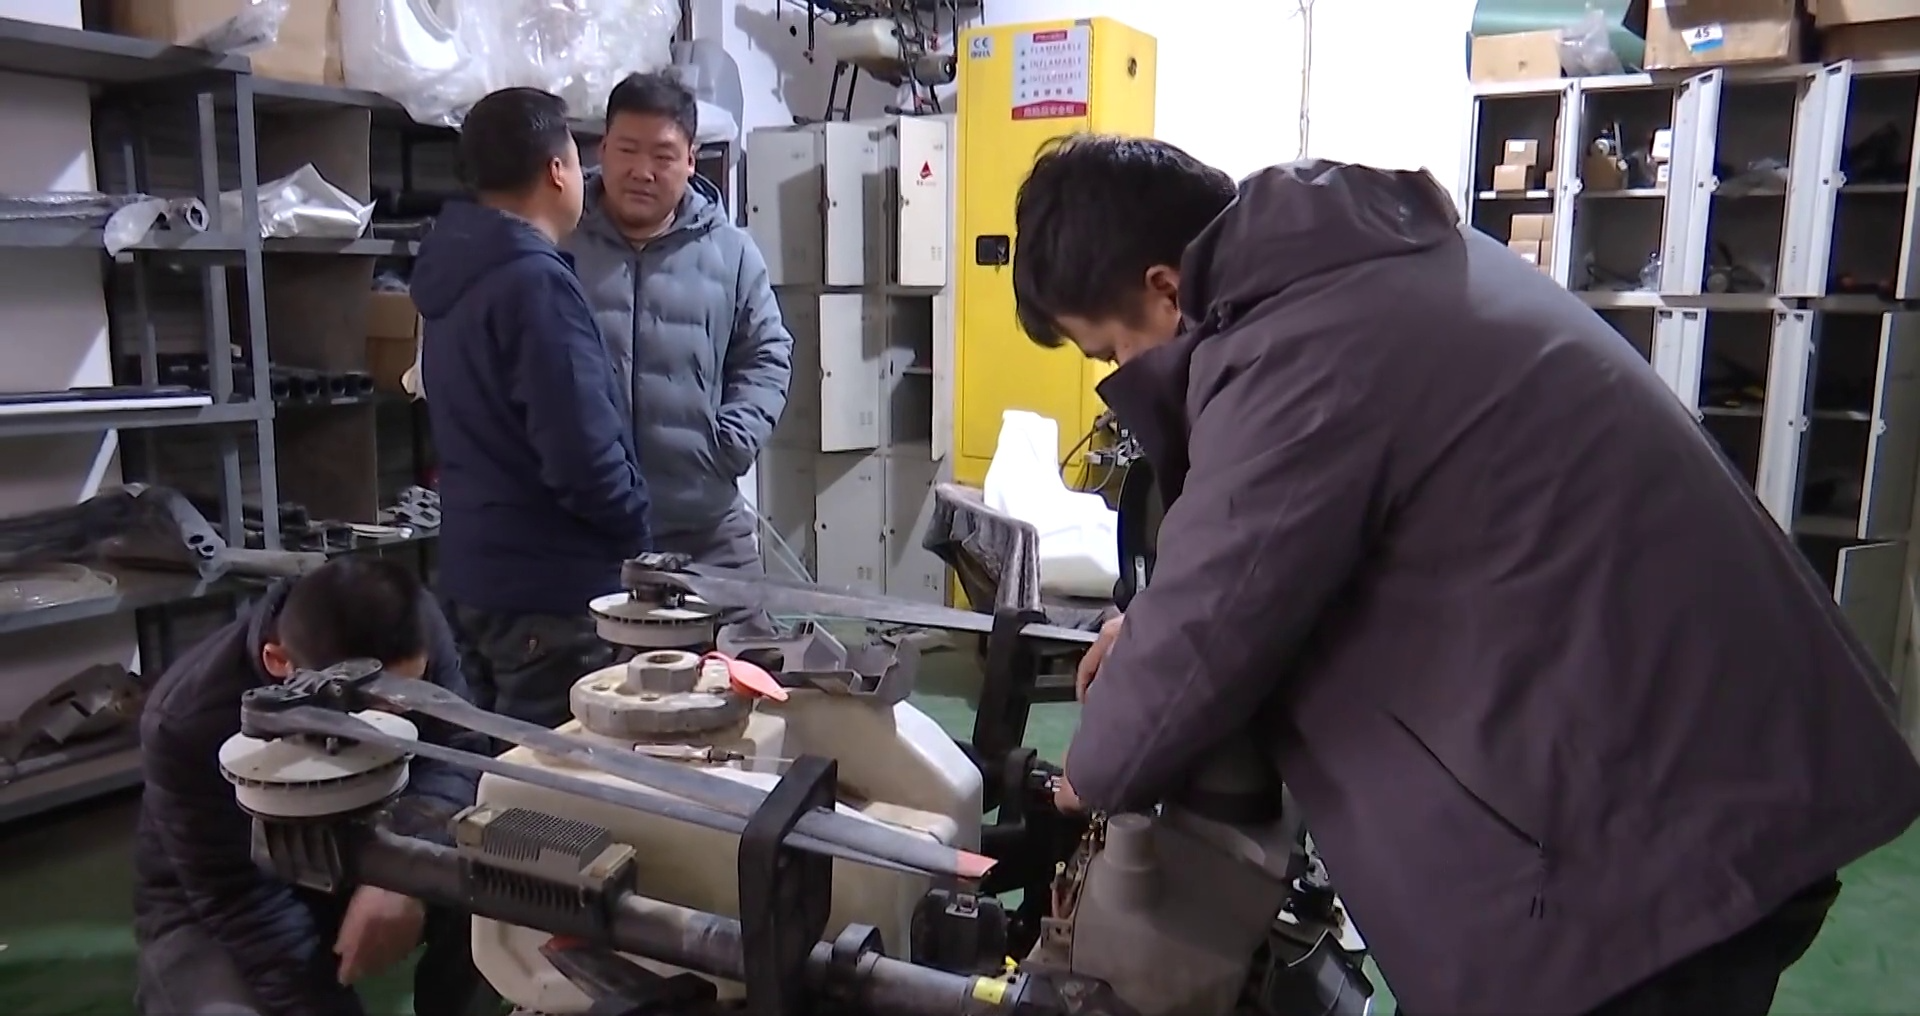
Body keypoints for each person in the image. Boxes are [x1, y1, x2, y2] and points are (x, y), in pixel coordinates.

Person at [1015, 136, 1920, 1016]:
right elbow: (1258, 555)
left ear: (1166, 290)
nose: (1120, 378)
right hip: (1709, 772)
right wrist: (1152, 624)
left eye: (1111, 353)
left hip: (1655, 848)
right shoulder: (1366, 267)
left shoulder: (1297, 349)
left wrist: (1084, 776)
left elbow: (1202, 640)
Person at [133, 557, 495, 1016]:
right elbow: (238, 900)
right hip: (228, 895)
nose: (397, 716)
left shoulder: (411, 623)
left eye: (410, 694)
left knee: (500, 892)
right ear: (279, 663)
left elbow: (458, 752)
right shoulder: (186, 719)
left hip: (370, 844)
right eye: (375, 704)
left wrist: (405, 875)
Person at [414, 87, 652, 728]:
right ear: (556, 170)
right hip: (552, 592)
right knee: (559, 780)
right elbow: (580, 452)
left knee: (502, 772)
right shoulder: (533, 282)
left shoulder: (458, 270)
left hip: (476, 575)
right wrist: (634, 534)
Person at [565, 71, 792, 579]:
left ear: (691, 159)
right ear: (603, 148)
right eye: (627, 150)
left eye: (663, 155)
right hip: (583, 527)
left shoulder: (731, 251)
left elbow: (767, 354)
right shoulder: (562, 242)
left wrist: (728, 444)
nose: (642, 171)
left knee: (743, 632)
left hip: (705, 523)